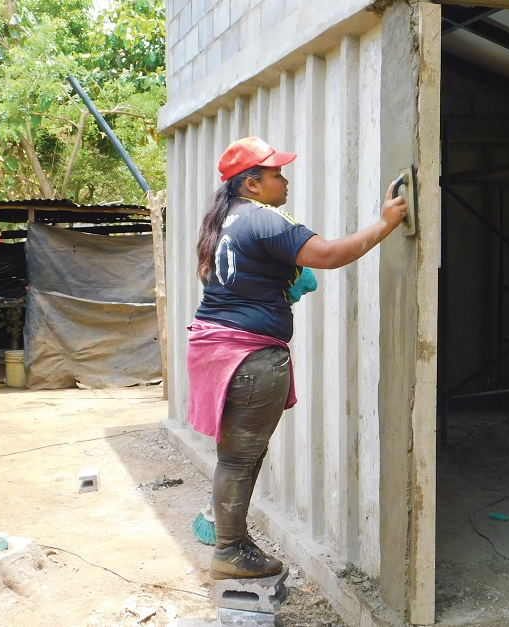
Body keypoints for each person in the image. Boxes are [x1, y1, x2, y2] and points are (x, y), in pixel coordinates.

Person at [186, 136, 408, 579]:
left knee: (237, 455)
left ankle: (234, 542)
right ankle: (230, 552)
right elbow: (326, 255)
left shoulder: (225, 219)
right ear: (251, 183)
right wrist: (385, 224)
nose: (284, 181)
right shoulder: (264, 218)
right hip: (249, 357)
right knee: (239, 458)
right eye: (276, 174)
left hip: (219, 350)